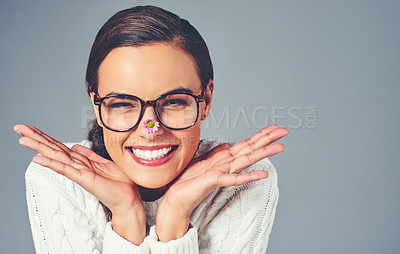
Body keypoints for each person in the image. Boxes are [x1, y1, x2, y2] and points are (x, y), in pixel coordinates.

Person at [14, 5, 288, 254]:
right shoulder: (59, 179)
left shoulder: (241, 180)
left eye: (174, 102)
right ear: (97, 108)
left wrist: (174, 217)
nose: (150, 129)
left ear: (206, 100)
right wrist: (126, 215)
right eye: (122, 104)